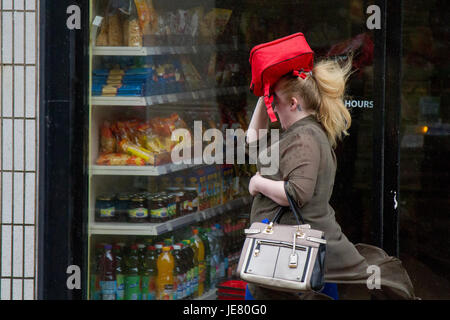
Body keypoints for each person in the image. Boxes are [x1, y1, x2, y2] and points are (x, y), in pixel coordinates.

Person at [245, 58, 418, 300]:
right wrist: (265, 96)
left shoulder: (305, 138)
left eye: (277, 103)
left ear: (293, 103)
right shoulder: (302, 133)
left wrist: (257, 183)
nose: (274, 110)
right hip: (298, 260)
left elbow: (296, 193)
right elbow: (254, 143)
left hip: (294, 262)